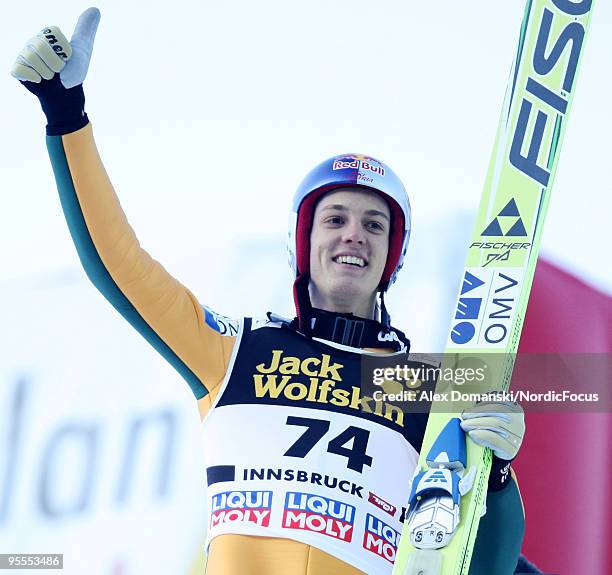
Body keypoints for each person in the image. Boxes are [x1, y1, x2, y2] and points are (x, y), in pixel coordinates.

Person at [12, 8, 529, 575]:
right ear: (303, 243)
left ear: (392, 258)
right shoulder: (235, 352)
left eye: (374, 225)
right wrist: (66, 115)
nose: (353, 234)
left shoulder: (423, 387)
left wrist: (498, 478)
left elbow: (480, 567)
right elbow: (120, 266)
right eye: (334, 219)